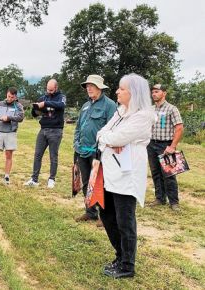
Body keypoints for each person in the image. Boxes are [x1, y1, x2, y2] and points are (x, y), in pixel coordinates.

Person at [94, 73, 155, 278]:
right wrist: (108, 140)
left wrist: (111, 140)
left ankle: (128, 265)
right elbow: (101, 133)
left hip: (127, 176)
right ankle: (119, 255)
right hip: (110, 172)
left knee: (125, 220)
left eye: (122, 89)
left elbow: (119, 137)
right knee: (106, 213)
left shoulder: (143, 115)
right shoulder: (120, 111)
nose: (117, 91)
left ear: (134, 93)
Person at [73, 75, 117, 225]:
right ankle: (90, 211)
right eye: (87, 86)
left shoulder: (110, 105)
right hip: (82, 151)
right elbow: (78, 127)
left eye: (92, 85)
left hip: (99, 152)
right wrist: (76, 143)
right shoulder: (85, 105)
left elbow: (112, 129)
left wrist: (101, 147)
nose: (89, 88)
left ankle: (105, 217)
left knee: (101, 184)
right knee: (86, 182)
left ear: (100, 88)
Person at [147, 84, 184, 211]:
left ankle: (174, 202)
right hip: (151, 144)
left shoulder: (171, 109)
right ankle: (160, 198)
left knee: (169, 174)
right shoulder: (151, 109)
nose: (154, 94)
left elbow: (179, 128)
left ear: (164, 93)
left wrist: (172, 146)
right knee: (155, 172)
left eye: (157, 92)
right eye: (153, 92)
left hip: (166, 145)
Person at [23, 79, 66, 188]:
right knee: (37, 154)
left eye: (51, 90)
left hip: (56, 130)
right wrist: (35, 109)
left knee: (53, 155)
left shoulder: (61, 97)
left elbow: (61, 105)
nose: (49, 91)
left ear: (56, 88)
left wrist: (45, 104)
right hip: (43, 129)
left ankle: (51, 179)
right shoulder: (42, 98)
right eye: (47, 89)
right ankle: (34, 179)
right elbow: (35, 114)